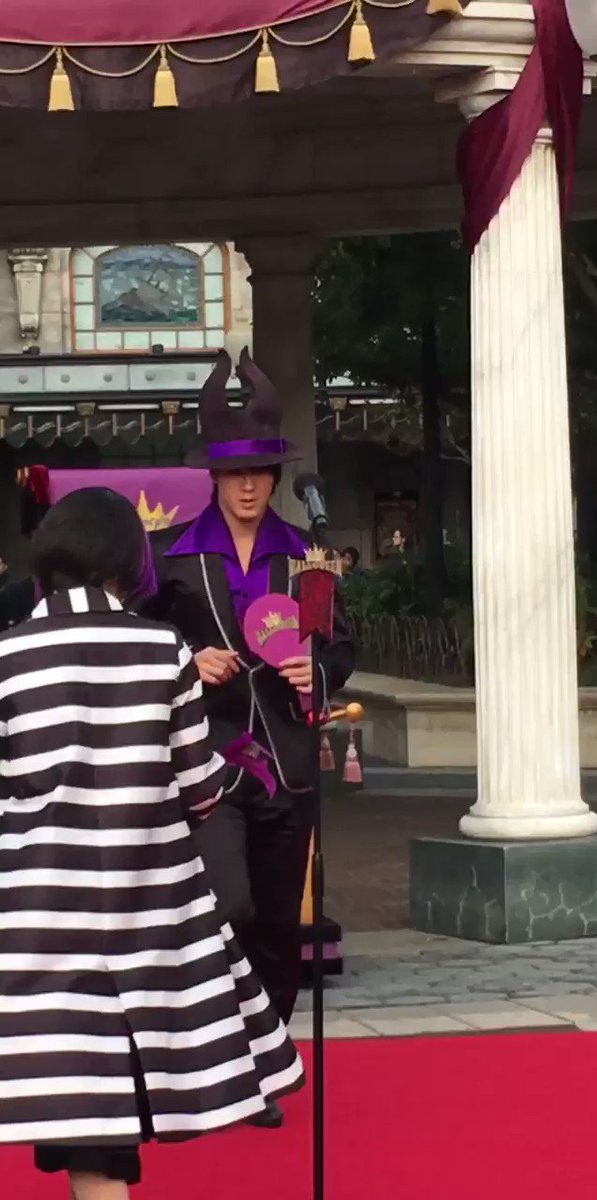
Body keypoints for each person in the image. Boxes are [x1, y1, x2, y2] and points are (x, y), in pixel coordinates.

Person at [0, 488, 304, 1200]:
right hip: (145, 910)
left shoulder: (7, 657)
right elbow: (197, 791)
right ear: (128, 561)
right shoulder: (162, 649)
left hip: (39, 912)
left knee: (70, 1097)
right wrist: (234, 772)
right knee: (116, 1100)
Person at [147, 349, 354, 1128]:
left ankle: (264, 1064)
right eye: (233, 473)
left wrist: (315, 670)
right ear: (212, 476)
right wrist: (185, 659)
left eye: (260, 473)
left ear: (274, 477)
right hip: (207, 764)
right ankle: (226, 1049)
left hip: (289, 764)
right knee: (227, 906)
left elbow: (341, 646)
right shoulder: (169, 558)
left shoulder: (306, 557)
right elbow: (137, 641)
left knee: (276, 924)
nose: (246, 487)